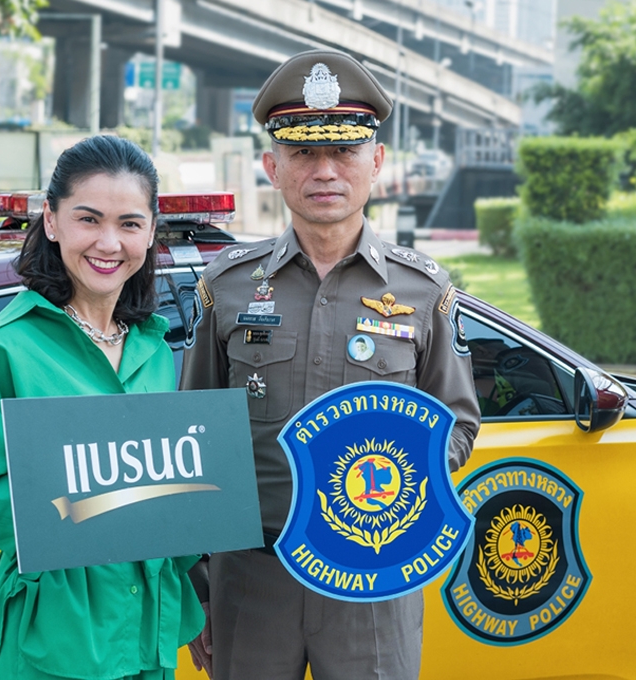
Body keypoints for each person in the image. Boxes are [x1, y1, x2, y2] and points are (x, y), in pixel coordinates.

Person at [179, 48, 480, 680]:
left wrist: (384, 486)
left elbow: (455, 422)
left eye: (343, 151)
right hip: (251, 576)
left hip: (372, 576)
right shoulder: (227, 286)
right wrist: (200, 586)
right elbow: (194, 434)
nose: (325, 171)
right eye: (304, 153)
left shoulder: (423, 291)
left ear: (376, 162)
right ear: (273, 166)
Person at [0, 135, 204, 679]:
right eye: (89, 219)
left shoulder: (155, 348)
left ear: (151, 233)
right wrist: (69, 514)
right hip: (57, 631)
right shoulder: (6, 347)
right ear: (52, 221)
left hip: (148, 631)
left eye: (129, 223)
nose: (109, 242)